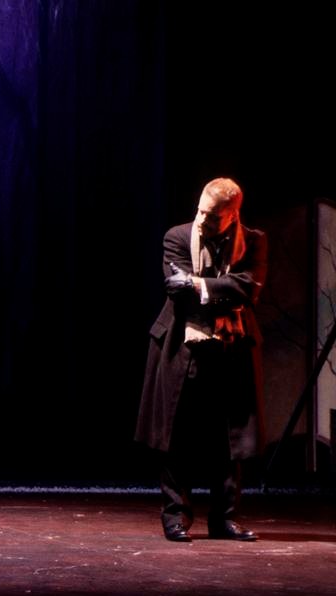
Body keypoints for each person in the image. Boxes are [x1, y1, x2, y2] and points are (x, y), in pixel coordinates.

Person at [136, 177, 267, 542]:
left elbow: (249, 288)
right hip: (183, 345)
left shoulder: (254, 241)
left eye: (212, 216)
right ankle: (175, 516)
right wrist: (219, 290)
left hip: (231, 347)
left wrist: (197, 284)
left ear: (232, 214)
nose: (203, 220)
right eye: (201, 211)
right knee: (175, 434)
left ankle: (224, 518)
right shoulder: (177, 237)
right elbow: (177, 294)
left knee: (229, 437)